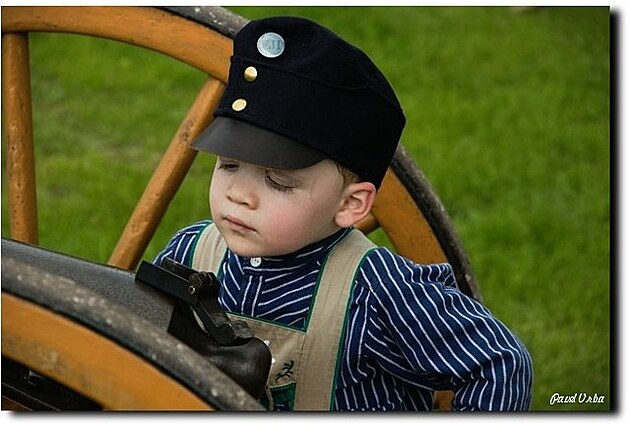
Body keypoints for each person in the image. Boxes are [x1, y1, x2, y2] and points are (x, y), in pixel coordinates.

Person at [154, 15, 533, 411]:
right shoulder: (189, 253)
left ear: (350, 204)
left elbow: (499, 363)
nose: (238, 194)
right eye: (229, 164)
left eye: (278, 181)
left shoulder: (377, 291)